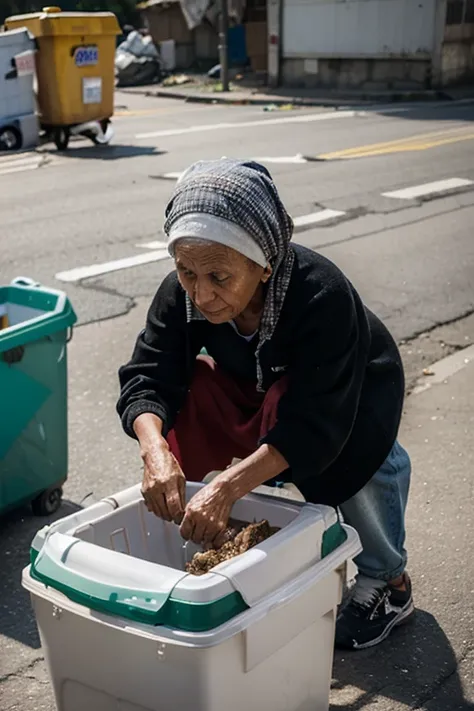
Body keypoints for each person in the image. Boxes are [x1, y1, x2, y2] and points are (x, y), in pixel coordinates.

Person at [117, 158, 413, 650]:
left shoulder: (323, 295)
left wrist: (227, 488)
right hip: (260, 390)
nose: (202, 294)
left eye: (219, 277)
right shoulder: (183, 292)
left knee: (356, 456)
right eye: (187, 272)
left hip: (349, 394)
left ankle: (390, 583)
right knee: (182, 394)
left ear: (264, 265)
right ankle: (235, 541)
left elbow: (316, 421)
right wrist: (155, 450)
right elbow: (149, 374)